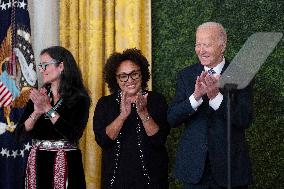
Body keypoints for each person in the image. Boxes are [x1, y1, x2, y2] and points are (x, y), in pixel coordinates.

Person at [167, 22, 253, 189]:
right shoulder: (186, 75)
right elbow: (171, 118)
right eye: (198, 44)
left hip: (230, 171)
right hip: (194, 171)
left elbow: (244, 119)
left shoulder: (242, 75)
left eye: (206, 45)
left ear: (222, 46)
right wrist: (195, 97)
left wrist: (215, 97)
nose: (201, 50)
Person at [93, 48, 170, 189]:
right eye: (123, 76)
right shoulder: (105, 103)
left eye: (134, 74)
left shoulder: (156, 100)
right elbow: (102, 140)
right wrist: (122, 116)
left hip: (152, 181)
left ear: (142, 74)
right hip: (115, 181)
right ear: (115, 79)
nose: (130, 80)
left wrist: (143, 113)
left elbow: (159, 140)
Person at [15, 46, 90, 189]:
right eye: (40, 65)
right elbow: (20, 134)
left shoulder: (79, 98)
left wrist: (48, 109)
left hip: (66, 163)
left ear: (61, 66)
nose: (41, 69)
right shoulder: (39, 96)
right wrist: (36, 112)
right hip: (37, 163)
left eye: (45, 65)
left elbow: (73, 134)